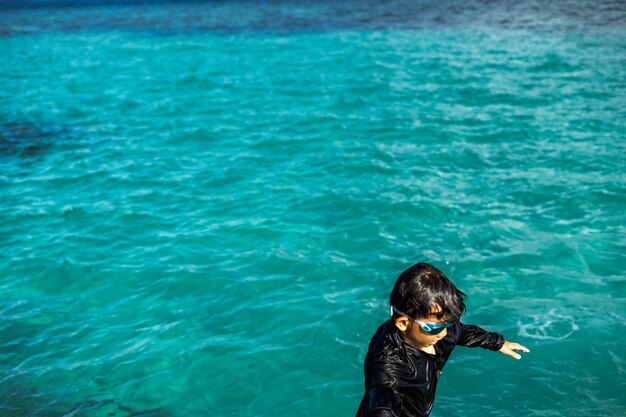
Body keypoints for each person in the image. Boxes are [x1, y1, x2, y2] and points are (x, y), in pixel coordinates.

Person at [355, 262, 529, 417]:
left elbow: (462, 331)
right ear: (403, 323)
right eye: (436, 328)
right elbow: (382, 400)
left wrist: (496, 343)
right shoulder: (389, 366)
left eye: (448, 323)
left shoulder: (439, 330)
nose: (444, 334)